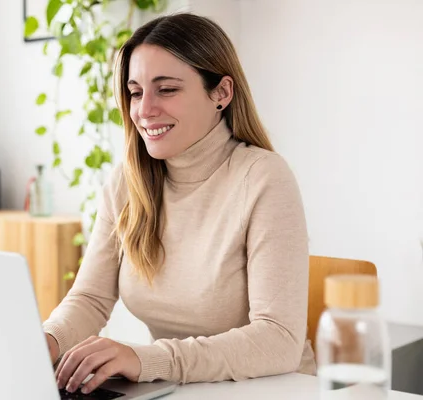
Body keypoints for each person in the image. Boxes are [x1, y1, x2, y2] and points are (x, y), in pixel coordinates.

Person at [42, 12, 316, 395]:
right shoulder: (127, 181)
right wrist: (46, 342)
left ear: (221, 93)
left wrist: (148, 360)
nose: (144, 110)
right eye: (136, 92)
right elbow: (90, 298)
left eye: (166, 89)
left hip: (271, 389)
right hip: (180, 388)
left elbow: (279, 340)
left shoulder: (262, 177)